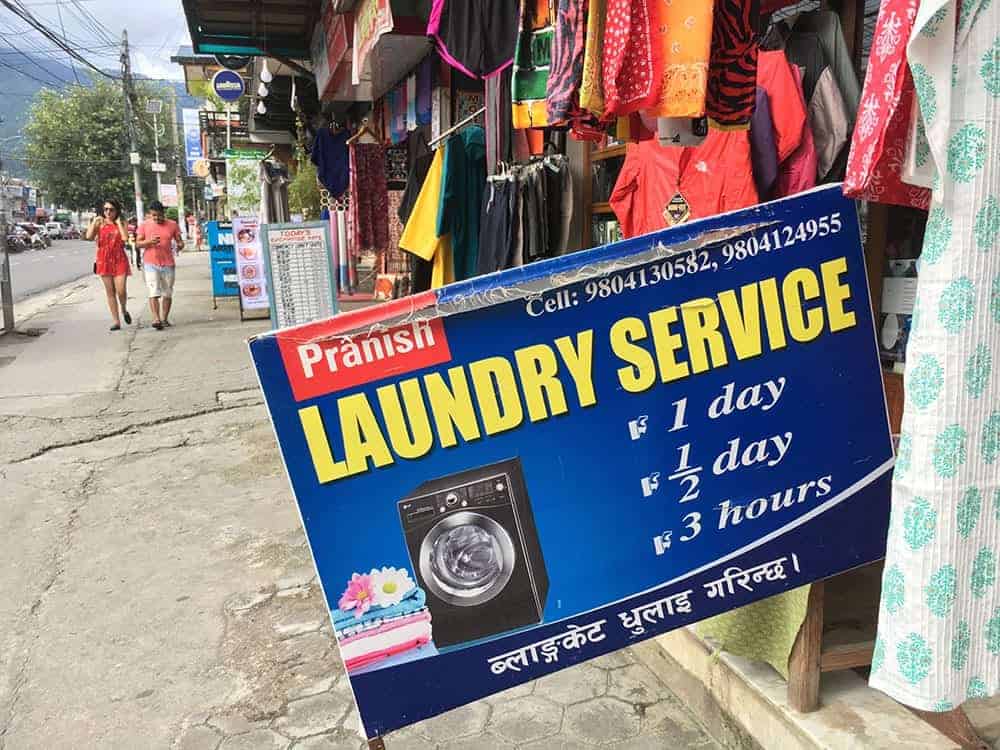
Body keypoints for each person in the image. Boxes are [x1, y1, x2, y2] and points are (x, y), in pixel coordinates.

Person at [136, 201, 183, 330]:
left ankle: (164, 318)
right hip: (150, 263)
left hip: (168, 263)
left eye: (158, 215)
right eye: (153, 215)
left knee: (167, 293)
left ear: (164, 213)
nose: (156, 218)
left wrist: (180, 245)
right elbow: (138, 243)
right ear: (150, 215)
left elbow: (180, 241)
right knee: (153, 291)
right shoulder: (144, 225)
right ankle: (156, 318)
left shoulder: (172, 225)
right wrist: (149, 242)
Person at [86, 199, 131, 331]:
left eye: (111, 209)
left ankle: (123, 309)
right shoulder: (100, 223)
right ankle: (116, 321)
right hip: (104, 259)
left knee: (121, 290)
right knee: (110, 292)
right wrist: (94, 222)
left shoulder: (121, 222)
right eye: (105, 209)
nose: (108, 212)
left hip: (119, 258)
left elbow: (125, 239)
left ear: (116, 211)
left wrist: (119, 224)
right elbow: (89, 236)